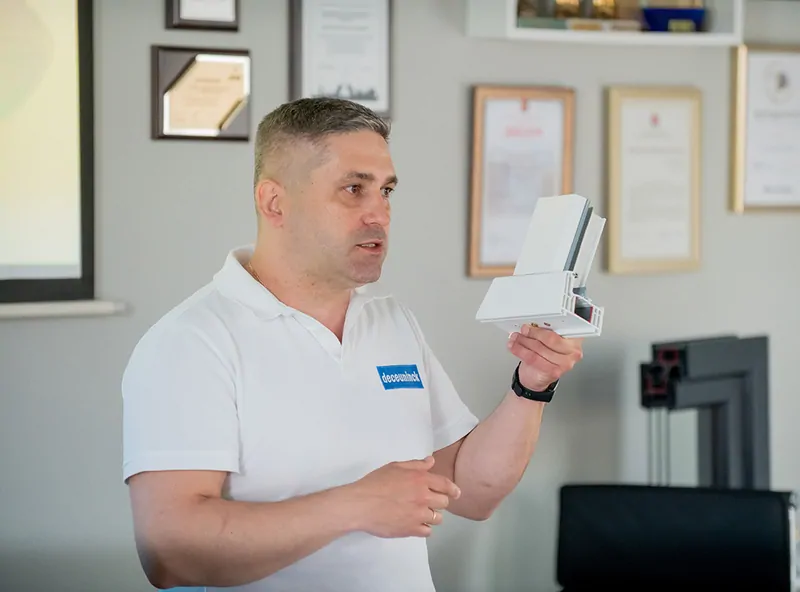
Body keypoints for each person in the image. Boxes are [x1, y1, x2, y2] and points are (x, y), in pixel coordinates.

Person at [121, 97, 584, 592]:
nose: (379, 214)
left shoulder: (392, 322)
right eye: (353, 189)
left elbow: (472, 492)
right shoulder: (191, 342)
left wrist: (531, 386)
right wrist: (356, 505)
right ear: (274, 202)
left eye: (385, 191)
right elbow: (170, 555)